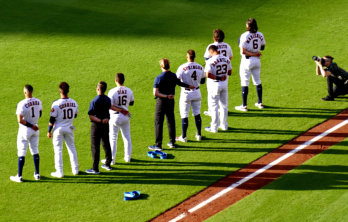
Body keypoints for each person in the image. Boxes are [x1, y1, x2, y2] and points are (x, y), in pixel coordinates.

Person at [148, 58, 194, 151]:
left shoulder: (159, 78)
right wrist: (189, 86)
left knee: (158, 122)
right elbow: (179, 83)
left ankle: (158, 145)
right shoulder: (173, 76)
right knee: (171, 121)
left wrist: (166, 96)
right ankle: (172, 142)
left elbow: (155, 93)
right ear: (169, 65)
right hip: (171, 101)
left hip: (161, 102)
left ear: (161, 66)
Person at [10, 85, 42, 182]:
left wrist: (30, 124)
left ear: (25, 92)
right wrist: (33, 123)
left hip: (25, 129)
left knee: (22, 151)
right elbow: (40, 113)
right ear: (32, 91)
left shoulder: (21, 104)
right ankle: (37, 174)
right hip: (35, 128)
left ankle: (19, 176)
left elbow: (20, 120)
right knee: (35, 150)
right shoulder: (38, 101)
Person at [48, 82, 79, 178]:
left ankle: (59, 172)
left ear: (59, 91)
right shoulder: (74, 102)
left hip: (58, 129)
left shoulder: (56, 104)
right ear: (68, 90)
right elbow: (75, 115)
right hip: (69, 128)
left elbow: (52, 119)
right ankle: (75, 169)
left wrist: (49, 131)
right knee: (72, 148)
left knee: (58, 150)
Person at [235, 18, 266, 112]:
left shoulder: (244, 35)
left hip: (247, 61)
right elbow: (263, 47)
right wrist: (255, 52)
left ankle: (244, 106)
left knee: (245, 82)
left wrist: (252, 53)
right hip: (257, 61)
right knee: (257, 81)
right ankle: (260, 103)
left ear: (248, 26)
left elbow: (243, 51)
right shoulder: (260, 34)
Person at [175, 49, 205, 142]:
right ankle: (199, 135)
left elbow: (176, 81)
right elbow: (203, 81)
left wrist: (188, 85)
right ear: (195, 56)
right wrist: (195, 82)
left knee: (184, 115)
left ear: (187, 57)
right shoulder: (200, 67)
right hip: (197, 92)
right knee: (197, 114)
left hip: (186, 93)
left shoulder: (182, 67)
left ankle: (184, 137)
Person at [203, 28, 233, 116]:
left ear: (214, 38)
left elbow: (206, 58)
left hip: (213, 73)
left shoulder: (211, 46)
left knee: (211, 93)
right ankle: (223, 112)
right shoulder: (227, 46)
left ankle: (211, 110)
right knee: (223, 94)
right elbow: (230, 57)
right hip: (224, 73)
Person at [106, 73, 134, 164]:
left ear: (116, 80)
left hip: (114, 116)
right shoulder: (129, 90)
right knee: (127, 137)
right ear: (124, 80)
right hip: (125, 116)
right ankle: (128, 158)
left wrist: (119, 108)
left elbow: (109, 106)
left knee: (113, 138)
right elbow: (131, 103)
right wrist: (123, 107)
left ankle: (112, 160)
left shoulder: (112, 91)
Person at [86, 81, 113, 174]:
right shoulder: (108, 99)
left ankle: (95, 168)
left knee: (95, 146)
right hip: (106, 124)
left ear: (97, 89)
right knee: (106, 143)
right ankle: (108, 164)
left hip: (96, 126)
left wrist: (100, 120)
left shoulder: (94, 101)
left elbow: (91, 116)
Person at [204, 45, 232, 133]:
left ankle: (214, 128)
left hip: (214, 85)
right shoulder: (226, 59)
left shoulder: (210, 61)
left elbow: (207, 75)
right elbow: (230, 72)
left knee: (214, 107)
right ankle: (224, 125)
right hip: (224, 84)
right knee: (224, 106)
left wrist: (218, 78)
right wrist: (222, 77)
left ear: (211, 52)